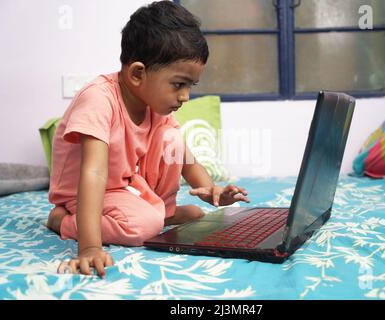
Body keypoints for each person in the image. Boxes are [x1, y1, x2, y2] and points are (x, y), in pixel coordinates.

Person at [46, 1, 249, 278]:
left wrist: (212, 190)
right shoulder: (98, 99)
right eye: (179, 84)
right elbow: (93, 171)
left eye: (190, 86)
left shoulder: (154, 106)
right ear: (138, 73)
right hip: (86, 191)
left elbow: (185, 157)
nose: (185, 96)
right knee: (142, 227)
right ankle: (63, 221)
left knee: (172, 138)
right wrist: (90, 247)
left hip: (125, 185)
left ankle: (162, 213)